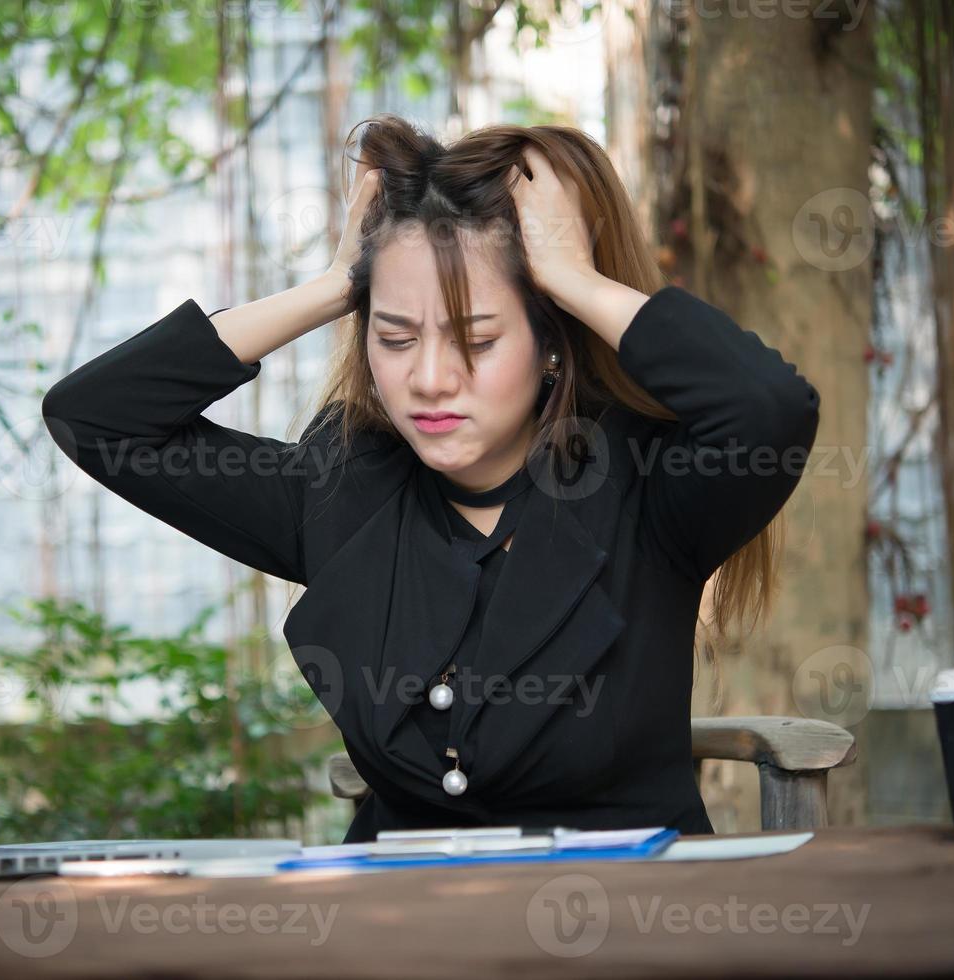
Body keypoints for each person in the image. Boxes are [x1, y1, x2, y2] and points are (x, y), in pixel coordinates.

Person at [42, 114, 821, 844]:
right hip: (397, 929)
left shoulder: (647, 488)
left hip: (624, 919)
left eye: (477, 339)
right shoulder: (341, 487)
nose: (429, 378)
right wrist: (336, 283)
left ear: (552, 341)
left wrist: (571, 278)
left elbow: (770, 410)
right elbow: (98, 419)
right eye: (395, 336)